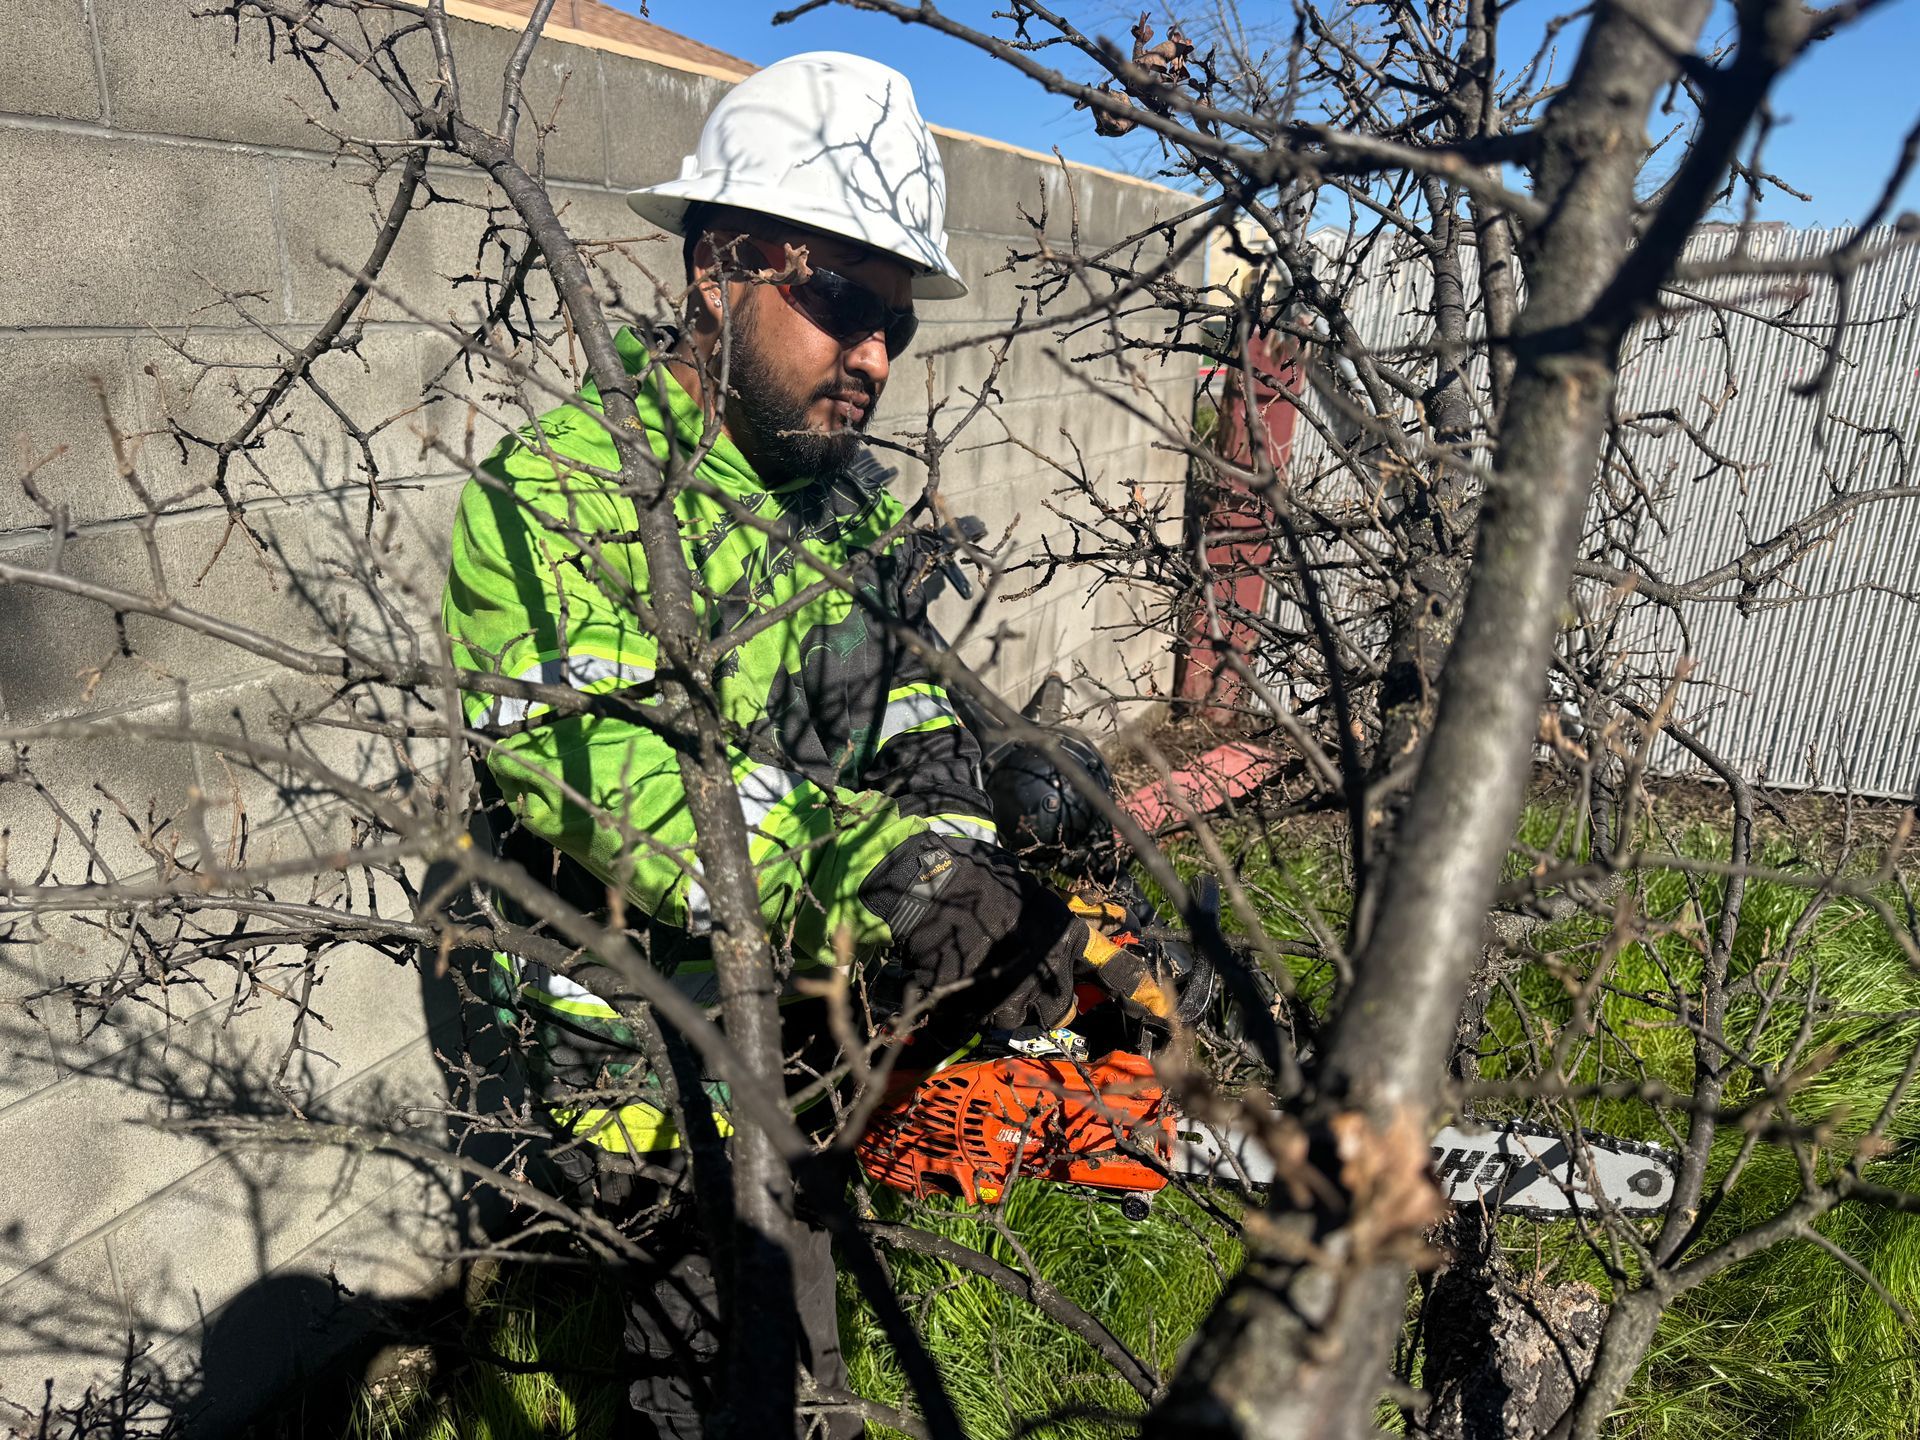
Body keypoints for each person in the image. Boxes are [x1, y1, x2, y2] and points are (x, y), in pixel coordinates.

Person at [440, 51, 1111, 1438]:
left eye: (896, 326)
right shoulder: (553, 501)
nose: (873, 355)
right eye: (842, 305)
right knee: (719, 1390)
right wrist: (894, 878)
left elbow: (899, 701)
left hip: (813, 1000)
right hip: (645, 1060)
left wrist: (976, 818)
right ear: (721, 266)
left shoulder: (847, 498)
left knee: (809, 1303)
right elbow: (622, 789)